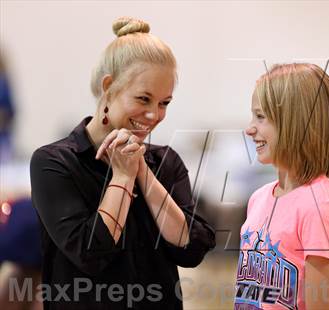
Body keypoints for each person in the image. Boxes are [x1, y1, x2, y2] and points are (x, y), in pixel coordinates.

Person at [30, 17, 215, 309]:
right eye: (143, 99)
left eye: (164, 102)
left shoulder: (165, 161)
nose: (154, 115)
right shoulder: (54, 162)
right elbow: (91, 253)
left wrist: (141, 169)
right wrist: (122, 175)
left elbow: (192, 248)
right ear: (109, 87)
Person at [234, 63, 329, 310]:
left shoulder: (320, 208)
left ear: (296, 123)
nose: (249, 129)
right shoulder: (258, 198)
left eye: (261, 117)